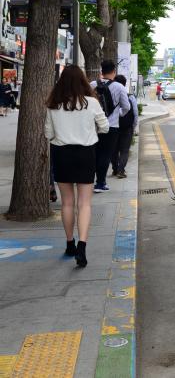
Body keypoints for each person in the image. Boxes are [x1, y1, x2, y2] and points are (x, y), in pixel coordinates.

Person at [45, 65, 109, 267]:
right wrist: (90, 131)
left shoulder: (54, 104)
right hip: (85, 154)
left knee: (67, 203)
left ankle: (69, 243)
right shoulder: (91, 102)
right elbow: (105, 127)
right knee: (85, 203)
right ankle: (82, 246)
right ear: (82, 81)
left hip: (61, 154)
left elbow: (48, 134)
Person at [91, 60, 130, 193]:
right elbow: (126, 107)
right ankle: (100, 183)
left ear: (101, 71)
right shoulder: (119, 87)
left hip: (93, 126)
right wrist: (117, 114)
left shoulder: (92, 85)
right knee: (105, 154)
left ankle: (90, 180)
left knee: (94, 153)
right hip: (111, 126)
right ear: (114, 71)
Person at [110, 75, 139, 179]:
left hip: (113, 126)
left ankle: (115, 169)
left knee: (114, 149)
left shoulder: (110, 95)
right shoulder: (130, 97)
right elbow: (135, 113)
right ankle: (121, 171)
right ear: (125, 84)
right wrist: (133, 126)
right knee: (124, 150)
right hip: (127, 127)